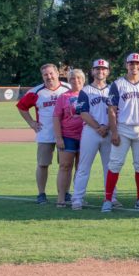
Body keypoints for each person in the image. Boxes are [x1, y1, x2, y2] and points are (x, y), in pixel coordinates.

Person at [103, 53, 139, 212]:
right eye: (131, 63)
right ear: (126, 65)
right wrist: (114, 132)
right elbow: (111, 110)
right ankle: (108, 199)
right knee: (115, 163)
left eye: (137, 64)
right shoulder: (118, 84)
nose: (134, 66)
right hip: (123, 127)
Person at [16, 63, 69, 203]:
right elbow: (21, 107)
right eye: (45, 74)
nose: (49, 77)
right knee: (43, 164)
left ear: (58, 73)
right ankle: (41, 194)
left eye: (51, 73)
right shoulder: (36, 92)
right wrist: (31, 123)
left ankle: (65, 193)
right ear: (42, 76)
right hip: (45, 133)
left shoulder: (68, 88)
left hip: (65, 133)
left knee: (65, 165)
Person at [71, 59, 114, 210]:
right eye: (97, 68)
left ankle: (110, 197)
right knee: (83, 167)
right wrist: (98, 127)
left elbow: (116, 111)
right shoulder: (86, 90)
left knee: (109, 167)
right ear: (92, 71)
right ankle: (77, 198)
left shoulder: (112, 89)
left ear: (108, 71)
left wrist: (107, 127)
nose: (100, 71)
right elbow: (83, 113)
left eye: (103, 69)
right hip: (91, 131)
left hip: (109, 131)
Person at [52, 69, 85, 207]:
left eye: (78, 78)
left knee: (81, 168)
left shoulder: (88, 94)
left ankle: (78, 196)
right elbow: (56, 117)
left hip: (86, 137)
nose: (75, 81)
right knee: (65, 166)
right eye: (72, 78)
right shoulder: (63, 97)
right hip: (68, 136)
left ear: (83, 80)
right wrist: (59, 138)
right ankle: (61, 197)